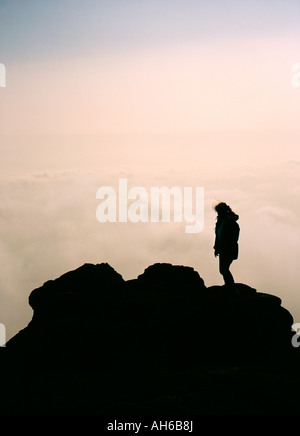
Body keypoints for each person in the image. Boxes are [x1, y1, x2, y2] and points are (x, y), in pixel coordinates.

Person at [213, 202, 240, 287]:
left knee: (224, 269)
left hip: (229, 249)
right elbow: (218, 236)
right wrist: (216, 248)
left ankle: (231, 287)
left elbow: (234, 237)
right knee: (223, 269)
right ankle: (229, 286)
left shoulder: (230, 222)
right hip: (222, 249)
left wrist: (225, 246)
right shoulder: (220, 222)